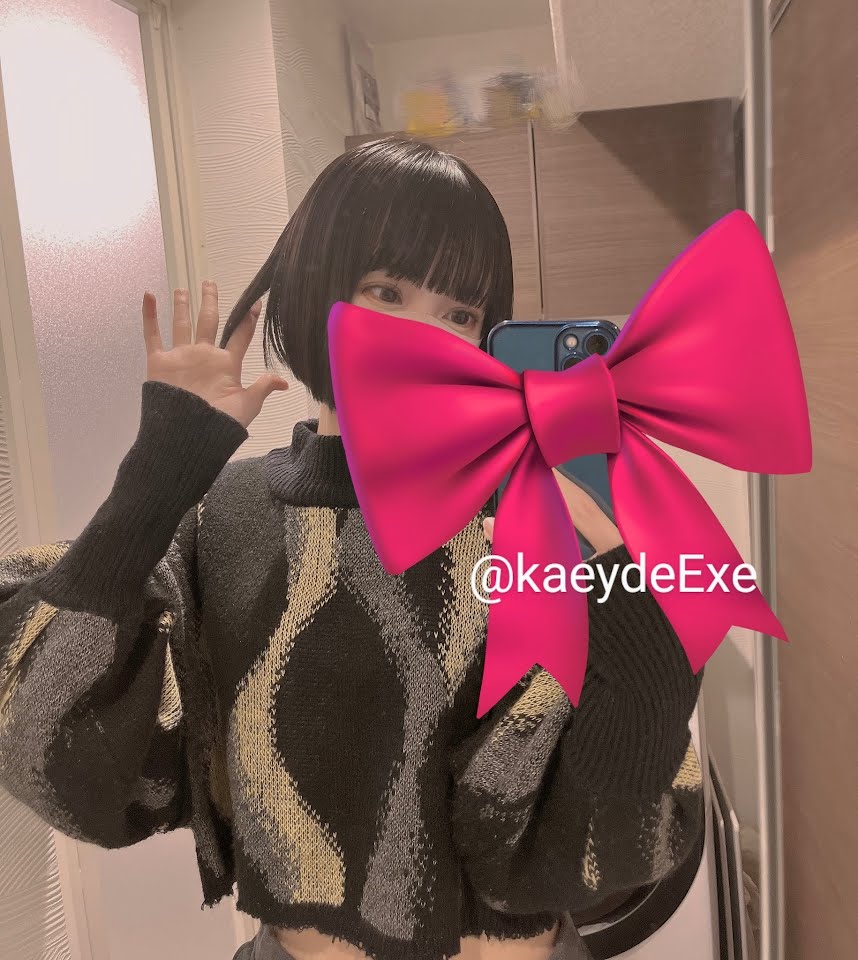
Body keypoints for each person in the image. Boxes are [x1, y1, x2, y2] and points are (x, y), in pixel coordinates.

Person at [0, 137, 703, 960]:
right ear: (314, 292)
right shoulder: (227, 519)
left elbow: (614, 844)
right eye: (386, 291)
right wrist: (156, 479)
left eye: (460, 314)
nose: (424, 336)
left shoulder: (535, 520)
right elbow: (47, 746)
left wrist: (648, 629)